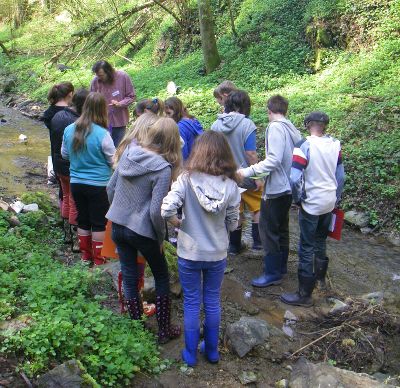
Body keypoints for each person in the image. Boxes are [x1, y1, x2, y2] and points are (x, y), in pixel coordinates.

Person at [161, 131, 241, 366]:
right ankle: (212, 351)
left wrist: (178, 223)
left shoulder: (186, 179)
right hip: (216, 253)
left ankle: (190, 353)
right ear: (225, 154)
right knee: (213, 300)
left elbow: (166, 210)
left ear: (198, 152)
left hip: (189, 252)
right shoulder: (232, 185)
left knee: (192, 302)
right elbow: (234, 223)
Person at [106, 117, 182, 344]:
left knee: (129, 276)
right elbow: (155, 212)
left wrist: (118, 211)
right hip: (142, 231)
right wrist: (160, 237)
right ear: (172, 142)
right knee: (161, 276)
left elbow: (110, 188)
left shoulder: (128, 153)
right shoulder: (163, 168)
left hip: (118, 225)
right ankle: (164, 330)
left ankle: (136, 327)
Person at [281, 112, 345, 307]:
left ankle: (304, 294)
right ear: (325, 126)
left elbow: (294, 178)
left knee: (306, 246)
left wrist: (298, 199)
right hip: (329, 201)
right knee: (320, 240)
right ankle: (320, 281)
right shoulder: (335, 144)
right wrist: (336, 197)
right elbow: (341, 177)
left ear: (308, 125)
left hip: (311, 202)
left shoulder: (303, 145)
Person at [238, 95, 301, 287]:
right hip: (290, 186)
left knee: (268, 230)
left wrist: (246, 172)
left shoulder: (275, 127)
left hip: (276, 188)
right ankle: (281, 268)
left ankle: (272, 273)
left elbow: (273, 160)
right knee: (282, 228)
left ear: (269, 110)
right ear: (285, 110)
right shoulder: (292, 128)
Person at [61, 92, 115, 265]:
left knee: (83, 219)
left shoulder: (69, 129)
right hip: (99, 185)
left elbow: (65, 154)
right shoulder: (102, 134)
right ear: (102, 110)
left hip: (76, 182)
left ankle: (86, 256)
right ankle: (99, 259)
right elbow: (113, 161)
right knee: (99, 222)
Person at [212, 89, 263, 253]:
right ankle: (258, 243)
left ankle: (234, 246)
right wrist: (259, 176)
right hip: (245, 174)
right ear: (245, 105)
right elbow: (251, 154)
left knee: (235, 209)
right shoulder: (247, 124)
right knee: (258, 207)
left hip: (224, 175)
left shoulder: (216, 124)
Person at [51, 88, 89, 252]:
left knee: (66, 197)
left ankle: (67, 234)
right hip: (70, 166)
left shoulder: (58, 115)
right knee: (74, 201)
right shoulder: (74, 123)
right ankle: (75, 241)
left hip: (58, 164)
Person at [43, 82, 74, 232]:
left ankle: (64, 222)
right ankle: (73, 224)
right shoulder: (72, 115)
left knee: (63, 189)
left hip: (56, 153)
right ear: (70, 94)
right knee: (73, 194)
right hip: (72, 156)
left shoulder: (49, 113)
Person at [90, 60, 135, 147]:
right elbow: (90, 100)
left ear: (109, 72)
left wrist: (120, 103)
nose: (99, 78)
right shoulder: (95, 81)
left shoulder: (123, 77)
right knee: (103, 147)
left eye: (101, 75)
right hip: (101, 122)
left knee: (118, 147)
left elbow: (131, 96)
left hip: (119, 120)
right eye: (97, 75)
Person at [165, 97, 203, 161]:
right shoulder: (193, 120)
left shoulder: (179, 128)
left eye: (169, 113)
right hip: (200, 159)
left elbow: (183, 153)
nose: (166, 117)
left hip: (190, 163)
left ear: (177, 112)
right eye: (165, 114)